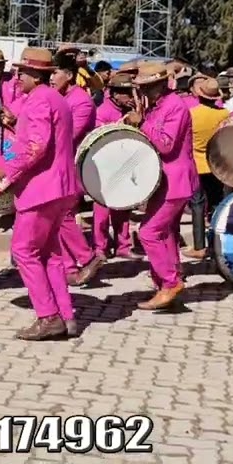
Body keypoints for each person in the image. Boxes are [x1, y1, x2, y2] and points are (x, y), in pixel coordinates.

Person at [0, 48, 81, 340]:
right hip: (59, 187)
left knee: (24, 251)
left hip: (42, 189)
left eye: (21, 72)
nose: (16, 78)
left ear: (35, 74)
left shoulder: (39, 100)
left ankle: (48, 316)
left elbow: (36, 146)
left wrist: (6, 170)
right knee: (50, 254)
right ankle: (66, 315)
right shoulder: (55, 99)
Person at [125, 61, 197, 310]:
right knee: (163, 233)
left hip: (175, 181)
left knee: (148, 232)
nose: (143, 92)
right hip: (163, 181)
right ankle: (165, 284)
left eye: (148, 87)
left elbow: (166, 144)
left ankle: (170, 282)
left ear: (161, 84)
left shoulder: (174, 106)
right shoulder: (158, 106)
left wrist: (140, 123)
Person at [51, 49, 101, 286]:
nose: (51, 77)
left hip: (73, 168)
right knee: (57, 217)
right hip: (59, 166)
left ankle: (87, 256)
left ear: (69, 75)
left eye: (56, 72)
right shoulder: (60, 97)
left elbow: (69, 136)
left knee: (63, 215)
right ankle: (70, 268)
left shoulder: (81, 101)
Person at [91, 72, 137, 258]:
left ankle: (123, 245)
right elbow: (100, 137)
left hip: (124, 165)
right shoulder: (103, 111)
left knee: (123, 209)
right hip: (105, 168)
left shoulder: (129, 110)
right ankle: (100, 247)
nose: (130, 97)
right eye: (126, 93)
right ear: (115, 94)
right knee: (102, 212)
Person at [186, 77, 229, 260]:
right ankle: (216, 244)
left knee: (197, 205)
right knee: (217, 205)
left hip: (197, 164)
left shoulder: (192, 114)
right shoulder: (225, 114)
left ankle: (199, 245)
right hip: (216, 164)